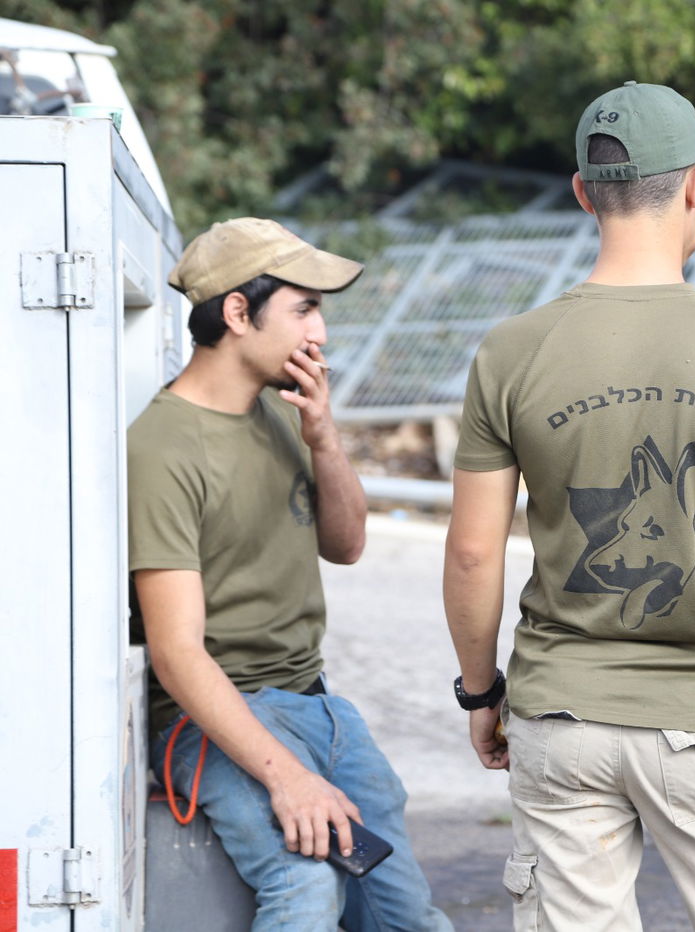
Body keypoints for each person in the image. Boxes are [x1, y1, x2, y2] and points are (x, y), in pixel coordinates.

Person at [444, 80, 695, 930]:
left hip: (559, 717)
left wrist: (483, 698)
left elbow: (473, 553)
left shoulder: (510, 352)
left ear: (586, 193)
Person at [128, 218, 451, 930]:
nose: (322, 333)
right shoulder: (162, 446)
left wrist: (325, 439)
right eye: (304, 308)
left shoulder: (280, 412)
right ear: (239, 313)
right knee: (304, 884)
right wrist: (288, 778)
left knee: (403, 911)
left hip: (319, 707)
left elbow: (347, 544)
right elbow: (177, 654)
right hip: (211, 720)